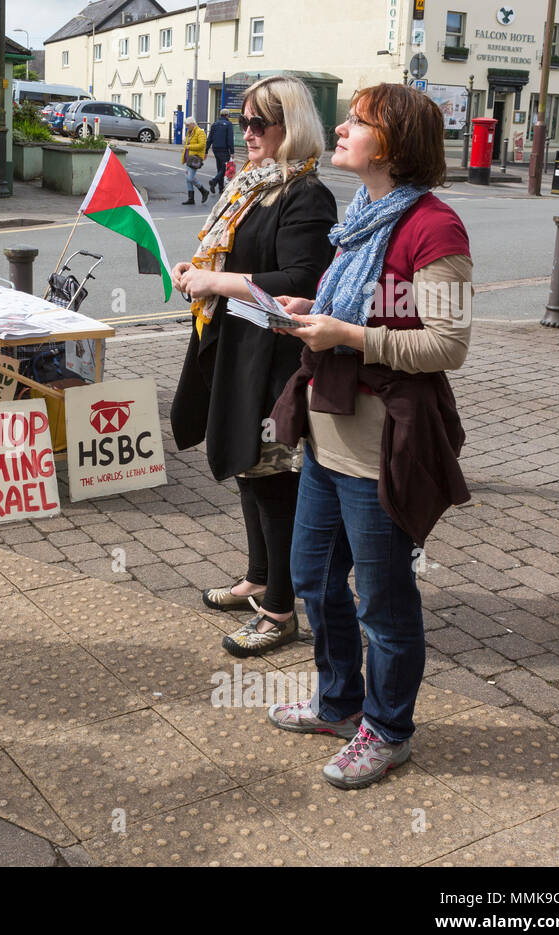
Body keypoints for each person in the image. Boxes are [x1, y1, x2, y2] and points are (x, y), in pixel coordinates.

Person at [267, 84, 473, 789]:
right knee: (312, 581)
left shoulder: (433, 228)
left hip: (380, 448)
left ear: (395, 143)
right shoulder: (363, 215)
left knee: (382, 603)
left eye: (360, 121)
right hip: (327, 440)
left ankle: (388, 731)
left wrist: (348, 336)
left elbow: (447, 345)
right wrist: (306, 307)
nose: (345, 129)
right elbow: (348, 296)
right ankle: (337, 704)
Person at [169, 76, 337, 657]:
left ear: (290, 127)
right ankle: (259, 576)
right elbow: (235, 255)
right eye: (244, 122)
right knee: (248, 469)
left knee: (274, 482)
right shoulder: (252, 186)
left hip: (272, 359)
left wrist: (215, 281)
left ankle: (281, 610)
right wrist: (199, 271)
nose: (248, 133)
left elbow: (301, 280)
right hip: (237, 346)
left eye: (259, 123)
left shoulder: (305, 193)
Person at [180, 117, 209, 205]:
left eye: (188, 125)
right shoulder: (190, 132)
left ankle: (204, 191)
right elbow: (186, 144)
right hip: (189, 158)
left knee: (190, 178)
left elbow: (202, 145)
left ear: (193, 124)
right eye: (186, 126)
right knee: (187, 179)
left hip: (195, 158)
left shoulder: (200, 132)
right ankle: (191, 199)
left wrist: (189, 146)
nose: (187, 127)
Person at [206, 108, 235, 194]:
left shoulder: (214, 124)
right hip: (224, 149)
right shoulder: (228, 124)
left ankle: (221, 188)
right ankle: (214, 181)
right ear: (227, 115)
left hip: (215, 149)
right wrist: (232, 151)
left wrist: (206, 151)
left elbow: (209, 138)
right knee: (225, 168)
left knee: (220, 168)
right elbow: (230, 139)